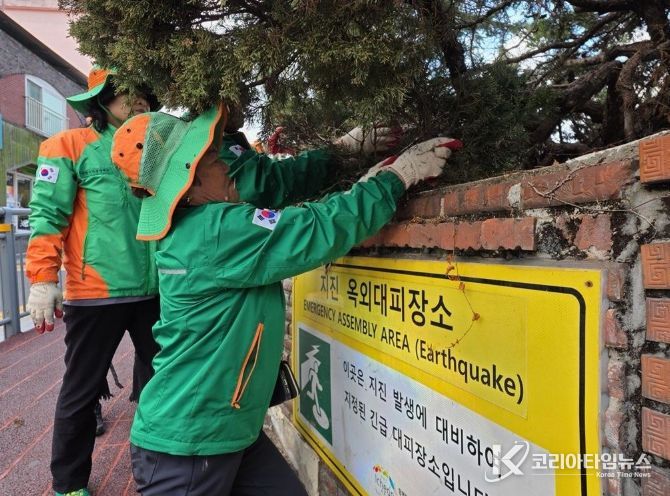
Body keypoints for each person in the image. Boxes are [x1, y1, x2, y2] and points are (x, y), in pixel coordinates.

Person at [111, 103, 459, 495]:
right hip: (189, 445)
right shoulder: (215, 230)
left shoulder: (196, 229)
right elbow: (313, 230)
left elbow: (290, 220)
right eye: (211, 158)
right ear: (188, 180)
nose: (225, 164)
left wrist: (360, 182)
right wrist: (394, 179)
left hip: (224, 430)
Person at [25, 66, 162, 496]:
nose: (136, 100)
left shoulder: (157, 152)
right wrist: (43, 278)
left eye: (142, 92)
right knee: (81, 390)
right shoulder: (67, 145)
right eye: (123, 93)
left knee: (164, 383)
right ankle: (68, 484)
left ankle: (162, 469)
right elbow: (47, 214)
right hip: (95, 292)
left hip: (156, 291)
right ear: (102, 101)